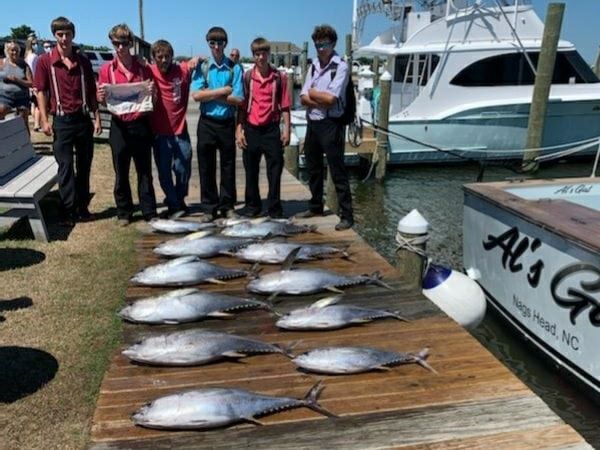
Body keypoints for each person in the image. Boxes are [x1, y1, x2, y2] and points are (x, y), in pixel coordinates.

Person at [34, 17, 101, 225]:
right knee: (65, 166)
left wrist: (96, 117)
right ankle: (68, 210)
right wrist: (44, 120)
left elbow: (91, 92)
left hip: (82, 119)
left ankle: (82, 207)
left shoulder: (83, 62)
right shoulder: (46, 61)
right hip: (61, 121)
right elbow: (41, 92)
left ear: (73, 35)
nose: (64, 39)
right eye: (60, 35)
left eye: (68, 34)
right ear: (55, 36)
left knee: (84, 165)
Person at [97, 23, 157, 226]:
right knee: (120, 171)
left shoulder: (143, 67)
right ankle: (124, 211)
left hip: (140, 124)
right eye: (116, 44)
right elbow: (104, 101)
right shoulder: (106, 70)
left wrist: (152, 93)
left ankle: (149, 210)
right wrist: (101, 98)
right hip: (119, 126)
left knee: (144, 170)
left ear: (130, 43)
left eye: (123, 43)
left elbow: (153, 97)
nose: (120, 48)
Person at [298, 24, 354, 231]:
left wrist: (313, 94)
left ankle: (347, 215)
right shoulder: (312, 66)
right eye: (318, 44)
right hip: (313, 121)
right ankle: (315, 206)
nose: (321, 48)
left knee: (337, 169)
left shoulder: (341, 66)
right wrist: (314, 97)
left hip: (332, 123)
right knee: (313, 167)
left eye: (325, 44)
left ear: (333, 44)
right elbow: (303, 97)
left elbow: (331, 99)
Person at [191, 26, 243, 219]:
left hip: (226, 122)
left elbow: (238, 99)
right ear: (208, 44)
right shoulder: (203, 67)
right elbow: (196, 95)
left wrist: (209, 94)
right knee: (206, 166)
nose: (216, 47)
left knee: (228, 166)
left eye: (220, 43)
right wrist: (222, 91)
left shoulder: (234, 67)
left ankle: (227, 206)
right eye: (212, 43)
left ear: (225, 44)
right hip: (207, 123)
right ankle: (209, 207)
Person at [235, 37, 290, 218]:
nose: (261, 57)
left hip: (271, 129)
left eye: (264, 53)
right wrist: (239, 130)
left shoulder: (279, 77)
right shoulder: (247, 77)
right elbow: (241, 107)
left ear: (268, 54)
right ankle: (253, 206)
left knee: (275, 171)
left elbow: (285, 106)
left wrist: (287, 129)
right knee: (251, 170)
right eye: (257, 54)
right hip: (251, 128)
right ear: (253, 56)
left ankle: (274, 207)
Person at [148, 40, 196, 219]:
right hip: (160, 133)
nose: (164, 60)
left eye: (167, 56)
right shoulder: (149, 72)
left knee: (183, 168)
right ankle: (174, 204)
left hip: (180, 130)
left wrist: (197, 59)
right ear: (154, 58)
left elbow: (196, 62)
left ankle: (179, 198)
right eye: (159, 57)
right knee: (164, 171)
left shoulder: (182, 70)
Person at [0, 40, 33, 132]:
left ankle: (26, 143)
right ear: (7, 51)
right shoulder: (2, 63)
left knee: (23, 119)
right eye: (12, 50)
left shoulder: (24, 64)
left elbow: (31, 83)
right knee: (1, 110)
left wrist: (17, 80)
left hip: (21, 97)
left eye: (16, 50)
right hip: (5, 96)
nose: (14, 52)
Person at [24, 36, 41, 132]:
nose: (37, 45)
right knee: (38, 104)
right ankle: (37, 123)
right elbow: (35, 71)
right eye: (35, 44)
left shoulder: (26, 56)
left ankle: (36, 122)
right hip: (35, 82)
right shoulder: (34, 57)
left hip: (30, 83)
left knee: (33, 105)